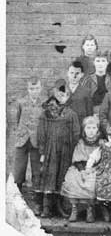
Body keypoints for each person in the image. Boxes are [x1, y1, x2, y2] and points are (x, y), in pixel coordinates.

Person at [37, 83, 80, 218]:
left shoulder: (71, 114)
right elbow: (41, 133)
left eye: (65, 95)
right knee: (49, 176)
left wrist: (71, 150)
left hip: (65, 150)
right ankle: (46, 208)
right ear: (56, 95)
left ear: (68, 97)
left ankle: (60, 207)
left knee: (61, 177)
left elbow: (76, 133)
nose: (62, 97)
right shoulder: (46, 113)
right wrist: (43, 152)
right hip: (50, 150)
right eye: (60, 95)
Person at [61, 116, 101, 223]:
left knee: (92, 182)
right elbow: (77, 160)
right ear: (84, 130)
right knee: (73, 179)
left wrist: (93, 169)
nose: (91, 131)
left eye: (93, 128)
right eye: (88, 128)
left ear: (97, 129)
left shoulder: (101, 144)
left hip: (95, 168)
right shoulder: (81, 143)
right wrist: (82, 171)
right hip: (80, 168)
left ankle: (90, 209)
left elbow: (103, 160)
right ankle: (74, 209)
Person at [13, 77, 43, 214]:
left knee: (37, 171)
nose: (34, 91)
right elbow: (17, 119)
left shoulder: (44, 104)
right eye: (31, 89)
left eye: (36, 88)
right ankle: (17, 201)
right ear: (27, 89)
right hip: (22, 140)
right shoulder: (21, 102)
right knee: (19, 169)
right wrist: (21, 132)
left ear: (40, 88)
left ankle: (37, 203)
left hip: (36, 141)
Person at [82, 51, 111, 115]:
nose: (100, 64)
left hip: (109, 111)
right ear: (94, 62)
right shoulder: (88, 79)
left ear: (107, 63)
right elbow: (83, 99)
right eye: (98, 61)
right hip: (92, 111)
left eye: (103, 61)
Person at [65, 60, 93, 124]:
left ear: (82, 75)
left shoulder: (86, 92)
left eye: (77, 73)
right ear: (67, 73)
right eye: (71, 73)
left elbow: (89, 114)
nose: (74, 76)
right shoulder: (61, 91)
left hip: (80, 127)